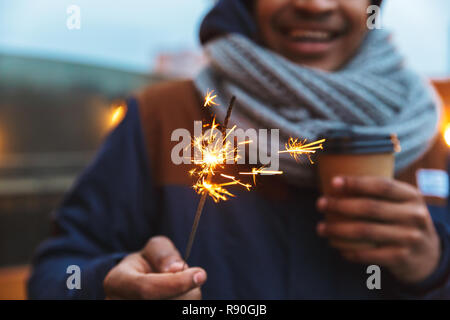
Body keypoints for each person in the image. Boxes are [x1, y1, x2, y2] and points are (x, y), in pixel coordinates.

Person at [28, 0, 450, 299]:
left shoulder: (423, 128)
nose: (314, 4)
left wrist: (435, 266)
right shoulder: (159, 117)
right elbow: (54, 276)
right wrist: (104, 285)